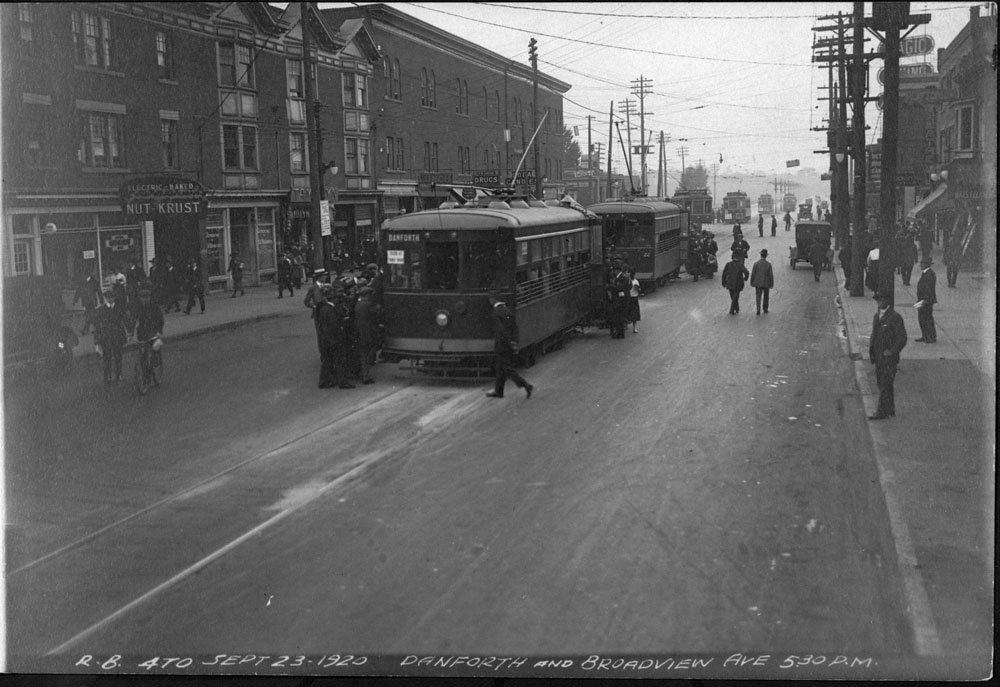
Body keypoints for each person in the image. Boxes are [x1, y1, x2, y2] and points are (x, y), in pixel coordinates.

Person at [485, 292, 533, 399]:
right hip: (508, 344)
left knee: (507, 369)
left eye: (490, 299)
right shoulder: (507, 311)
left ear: (493, 300)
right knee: (500, 368)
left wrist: (506, 343)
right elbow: (515, 328)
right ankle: (499, 391)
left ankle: (526, 385)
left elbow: (501, 331)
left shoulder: (495, 313)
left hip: (502, 345)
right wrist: (514, 342)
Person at [868, 294, 907, 420]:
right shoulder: (876, 316)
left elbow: (902, 338)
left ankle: (881, 412)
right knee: (883, 384)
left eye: (881, 300)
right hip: (878, 357)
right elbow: (874, 334)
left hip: (889, 359)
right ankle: (890, 409)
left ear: (886, 301)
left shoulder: (895, 317)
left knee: (885, 385)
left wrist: (892, 351)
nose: (879, 303)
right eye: (877, 301)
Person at [315, 284, 354, 389]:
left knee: (327, 361)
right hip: (334, 339)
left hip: (326, 340)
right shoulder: (329, 310)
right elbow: (333, 327)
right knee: (340, 360)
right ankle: (342, 382)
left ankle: (324, 381)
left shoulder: (323, 307)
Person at [94, 290, 128, 383]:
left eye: (111, 297)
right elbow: (97, 326)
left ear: (114, 298)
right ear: (105, 298)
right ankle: (107, 375)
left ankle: (118, 374)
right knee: (107, 356)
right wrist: (96, 341)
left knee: (118, 356)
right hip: (106, 336)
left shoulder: (119, 308)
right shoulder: (101, 310)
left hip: (117, 335)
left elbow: (125, 320)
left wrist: (130, 331)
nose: (110, 299)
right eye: (108, 297)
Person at [353, 287, 381, 383]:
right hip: (367, 334)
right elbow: (376, 315)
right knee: (366, 355)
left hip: (359, 333)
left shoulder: (358, 304)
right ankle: (366, 376)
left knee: (362, 354)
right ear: (367, 295)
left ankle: (362, 374)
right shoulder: (368, 305)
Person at [914, 256, 937, 343]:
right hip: (922, 299)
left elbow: (928, 288)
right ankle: (925, 335)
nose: (920, 265)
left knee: (927, 318)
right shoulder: (926, 273)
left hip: (925, 300)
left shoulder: (929, 274)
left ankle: (930, 336)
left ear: (926, 265)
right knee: (922, 318)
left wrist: (925, 300)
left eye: (922, 264)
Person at [74, 269, 102, 336]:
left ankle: (86, 329)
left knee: (89, 316)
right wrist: (75, 300)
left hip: (91, 301)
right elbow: (79, 291)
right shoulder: (83, 282)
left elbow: (99, 291)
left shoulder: (93, 282)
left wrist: (101, 300)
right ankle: (97, 329)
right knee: (91, 316)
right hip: (87, 301)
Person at [721, 251, 749, 315]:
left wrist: (723, 282)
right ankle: (734, 309)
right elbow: (746, 272)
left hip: (730, 283)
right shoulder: (740, 264)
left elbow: (724, 274)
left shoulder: (728, 264)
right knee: (736, 296)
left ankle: (735, 308)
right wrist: (745, 278)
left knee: (732, 296)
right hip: (738, 283)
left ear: (732, 258)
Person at [606, 262, 630, 338]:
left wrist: (609, 286)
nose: (613, 272)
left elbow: (619, 288)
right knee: (618, 318)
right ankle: (619, 333)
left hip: (620, 300)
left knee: (619, 317)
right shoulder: (619, 278)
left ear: (617, 270)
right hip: (617, 300)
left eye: (614, 270)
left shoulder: (623, 278)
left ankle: (620, 333)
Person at [750, 249, 774, 315]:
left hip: (758, 283)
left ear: (760, 255)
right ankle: (765, 309)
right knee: (766, 296)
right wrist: (771, 284)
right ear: (766, 256)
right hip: (766, 283)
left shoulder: (756, 264)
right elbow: (770, 275)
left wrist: (752, 282)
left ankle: (758, 309)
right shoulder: (768, 264)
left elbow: (753, 274)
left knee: (758, 296)